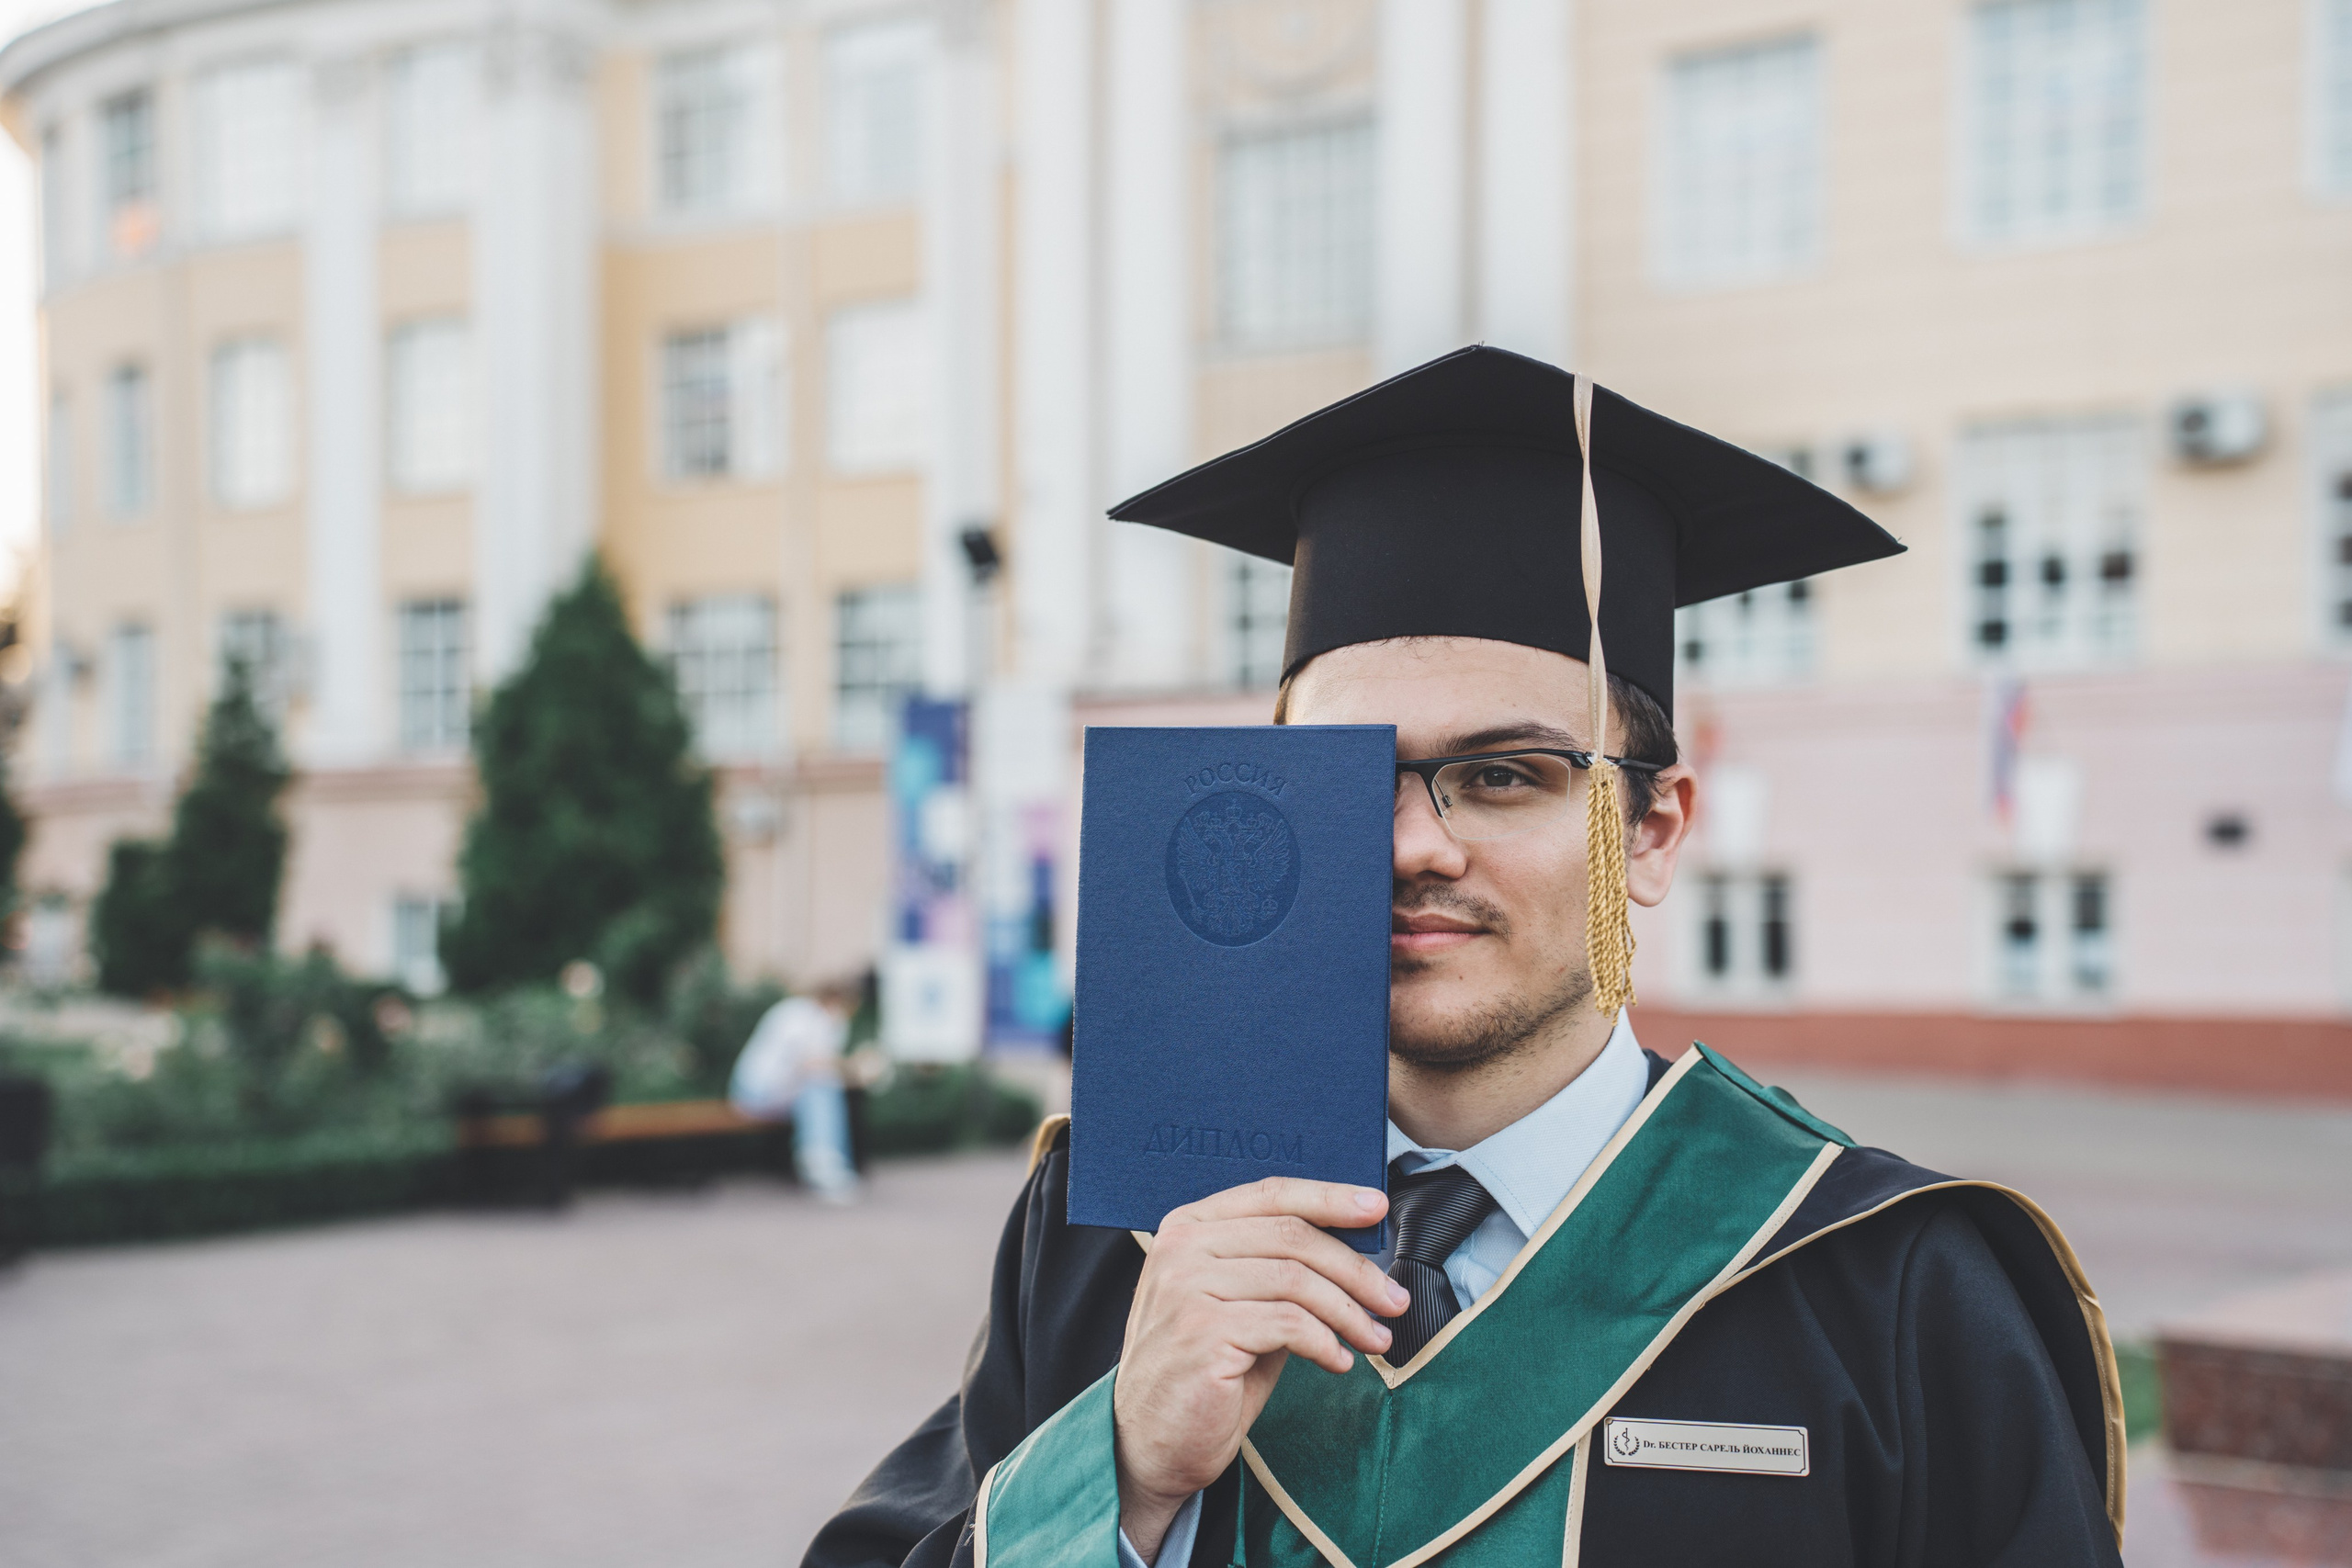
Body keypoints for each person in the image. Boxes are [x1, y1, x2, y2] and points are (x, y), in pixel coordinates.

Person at [805, 348, 2125, 1566]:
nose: (1410, 845)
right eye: (1346, 773)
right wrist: (1117, 1477)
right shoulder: (1115, 1235)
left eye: (1501, 774)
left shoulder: (1887, 1285)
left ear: (1651, 831)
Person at [731, 979, 862, 1202]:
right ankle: (822, 1165)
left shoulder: (830, 1022)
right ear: (835, 1000)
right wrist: (850, 1066)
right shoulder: (796, 1016)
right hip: (755, 1093)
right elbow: (806, 1064)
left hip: (784, 1093)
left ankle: (827, 1161)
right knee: (819, 1090)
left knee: (824, 1089)